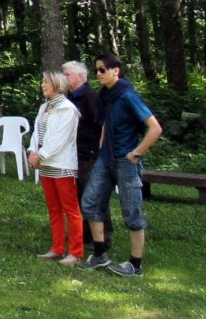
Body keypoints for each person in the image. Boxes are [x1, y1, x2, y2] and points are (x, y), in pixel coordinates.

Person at [79, 54, 162, 277]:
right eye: (96, 70)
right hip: (105, 159)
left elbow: (155, 128)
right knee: (90, 202)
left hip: (125, 161)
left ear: (116, 70)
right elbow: (108, 120)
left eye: (102, 69)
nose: (98, 74)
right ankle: (99, 254)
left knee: (131, 211)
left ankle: (135, 264)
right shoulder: (106, 96)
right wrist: (102, 140)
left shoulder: (127, 95)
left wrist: (135, 154)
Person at [28, 71, 83, 267]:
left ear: (57, 84)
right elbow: (37, 132)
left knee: (70, 209)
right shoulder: (44, 107)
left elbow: (59, 139)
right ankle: (57, 247)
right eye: (42, 81)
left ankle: (75, 252)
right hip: (45, 165)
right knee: (54, 208)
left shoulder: (68, 110)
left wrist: (40, 155)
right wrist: (31, 150)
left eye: (46, 82)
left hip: (62, 165)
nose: (42, 85)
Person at [63, 60, 111, 248]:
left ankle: (103, 236)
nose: (64, 78)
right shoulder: (70, 97)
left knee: (94, 194)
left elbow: (101, 123)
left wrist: (100, 148)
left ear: (80, 77)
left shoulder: (89, 96)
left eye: (67, 75)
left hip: (89, 153)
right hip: (76, 153)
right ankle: (87, 234)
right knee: (81, 194)